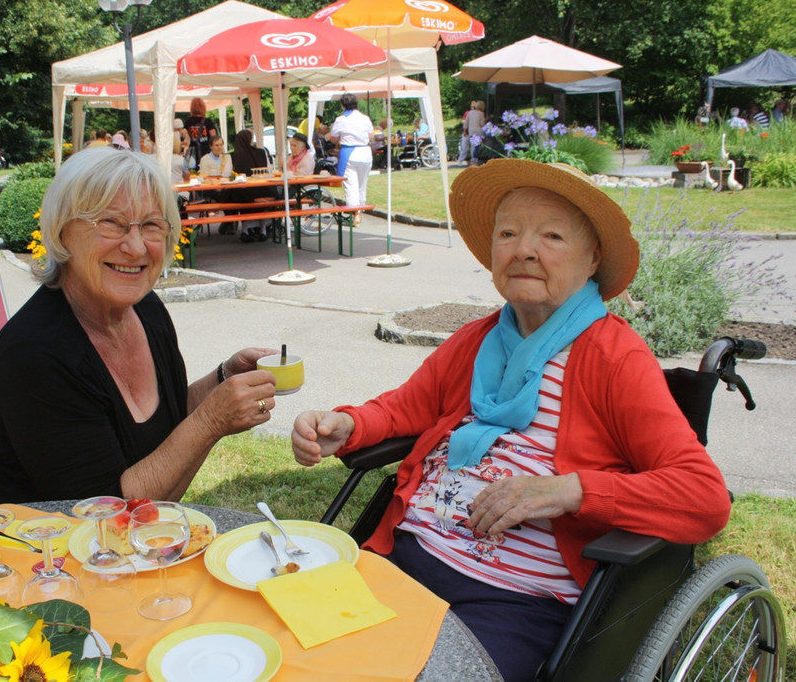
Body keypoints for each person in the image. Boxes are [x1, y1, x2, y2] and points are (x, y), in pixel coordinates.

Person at [290, 158, 731, 682]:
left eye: (552, 236)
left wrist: (568, 491)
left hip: (517, 599)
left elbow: (703, 497)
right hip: (408, 557)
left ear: (592, 258)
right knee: (297, 646)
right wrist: (348, 425)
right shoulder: (477, 339)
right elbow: (404, 407)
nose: (524, 249)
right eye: (508, 233)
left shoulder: (614, 359)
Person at [0, 148, 278, 510]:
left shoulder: (146, 309)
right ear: (62, 232)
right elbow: (106, 513)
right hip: (4, 541)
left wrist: (223, 378)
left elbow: (164, 421)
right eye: (111, 223)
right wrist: (212, 420)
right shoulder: (34, 352)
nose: (135, 247)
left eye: (151, 225)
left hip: (107, 543)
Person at [329, 93, 374, 225]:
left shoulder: (340, 120)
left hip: (349, 153)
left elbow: (333, 138)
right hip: (364, 152)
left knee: (350, 185)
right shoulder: (365, 118)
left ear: (343, 105)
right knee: (362, 184)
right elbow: (371, 136)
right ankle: (359, 210)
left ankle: (356, 213)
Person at [226, 129, 276, 243]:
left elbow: (227, 174)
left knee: (240, 197)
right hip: (264, 190)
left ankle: (245, 230)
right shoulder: (262, 152)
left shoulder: (233, 156)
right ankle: (263, 230)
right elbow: (269, 171)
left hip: (245, 193)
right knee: (262, 197)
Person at [183, 97, 219, 172]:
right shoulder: (208, 122)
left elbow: (185, 137)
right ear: (203, 107)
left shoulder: (188, 122)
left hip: (193, 153)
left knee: (193, 173)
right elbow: (214, 137)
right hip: (206, 152)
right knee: (207, 172)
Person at [464, 100, 487, 165]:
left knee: (473, 146)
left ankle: (473, 159)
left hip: (471, 131)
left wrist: (465, 130)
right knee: (476, 146)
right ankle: (474, 159)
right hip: (478, 131)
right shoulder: (481, 114)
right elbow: (481, 124)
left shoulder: (470, 112)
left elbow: (466, 122)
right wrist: (486, 120)